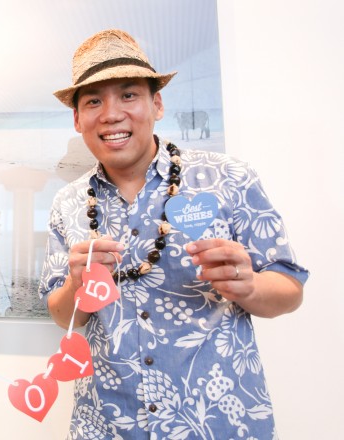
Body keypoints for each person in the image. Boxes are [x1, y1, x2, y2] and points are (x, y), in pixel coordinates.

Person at [39, 29, 308, 439]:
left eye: (129, 95)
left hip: (218, 420)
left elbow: (290, 289)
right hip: (107, 424)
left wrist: (250, 286)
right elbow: (63, 317)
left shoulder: (228, 178)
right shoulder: (67, 203)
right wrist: (77, 284)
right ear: (77, 119)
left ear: (157, 104)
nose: (111, 114)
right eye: (93, 101)